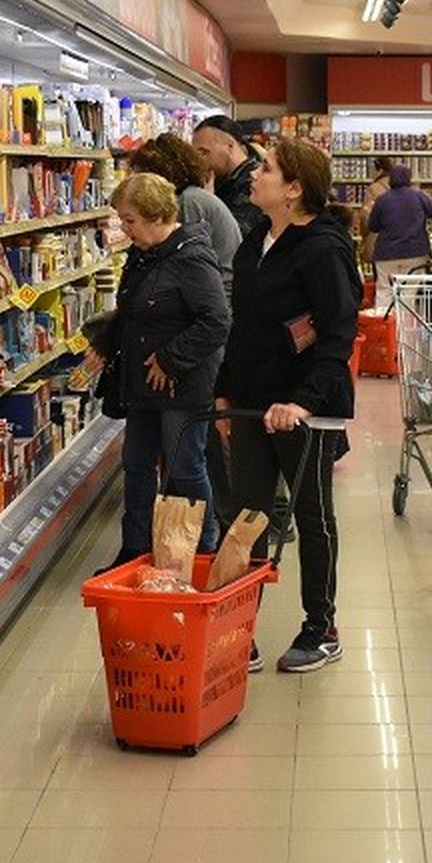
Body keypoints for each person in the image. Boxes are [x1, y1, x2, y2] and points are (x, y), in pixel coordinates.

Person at [217, 138, 361, 673]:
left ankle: (321, 627)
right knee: (248, 517)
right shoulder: (255, 240)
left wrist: (302, 402)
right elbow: (244, 327)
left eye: (268, 169)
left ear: (295, 189)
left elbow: (336, 336)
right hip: (253, 405)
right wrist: (226, 389)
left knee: (312, 515)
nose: (255, 174)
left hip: (307, 408)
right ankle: (238, 625)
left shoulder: (324, 248)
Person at [89, 173, 230, 571]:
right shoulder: (143, 253)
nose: (124, 228)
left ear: (155, 216)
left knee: (185, 467)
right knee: (136, 465)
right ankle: (134, 548)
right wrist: (105, 342)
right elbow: (131, 312)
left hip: (183, 385)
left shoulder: (191, 257)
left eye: (130, 219)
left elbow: (216, 320)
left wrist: (171, 359)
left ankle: (200, 551)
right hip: (142, 385)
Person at [128, 133, 241, 295]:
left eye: (141, 174)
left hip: (218, 296)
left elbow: (184, 262)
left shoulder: (189, 201)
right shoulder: (189, 197)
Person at [366, 165, 432, 309]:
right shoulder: (419, 196)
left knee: (384, 291)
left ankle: (384, 327)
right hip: (415, 253)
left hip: (386, 254)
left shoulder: (382, 200)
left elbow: (373, 226)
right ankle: (406, 329)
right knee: (409, 293)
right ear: (409, 178)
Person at [193, 114, 266, 240]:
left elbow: (235, 236)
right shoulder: (220, 180)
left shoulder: (254, 182)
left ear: (230, 146)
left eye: (204, 153)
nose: (199, 161)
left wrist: (208, 202)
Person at [360, 157, 394, 266]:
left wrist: (364, 235)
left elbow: (366, 217)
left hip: (379, 242)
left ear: (379, 170)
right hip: (401, 243)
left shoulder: (374, 189)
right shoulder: (403, 188)